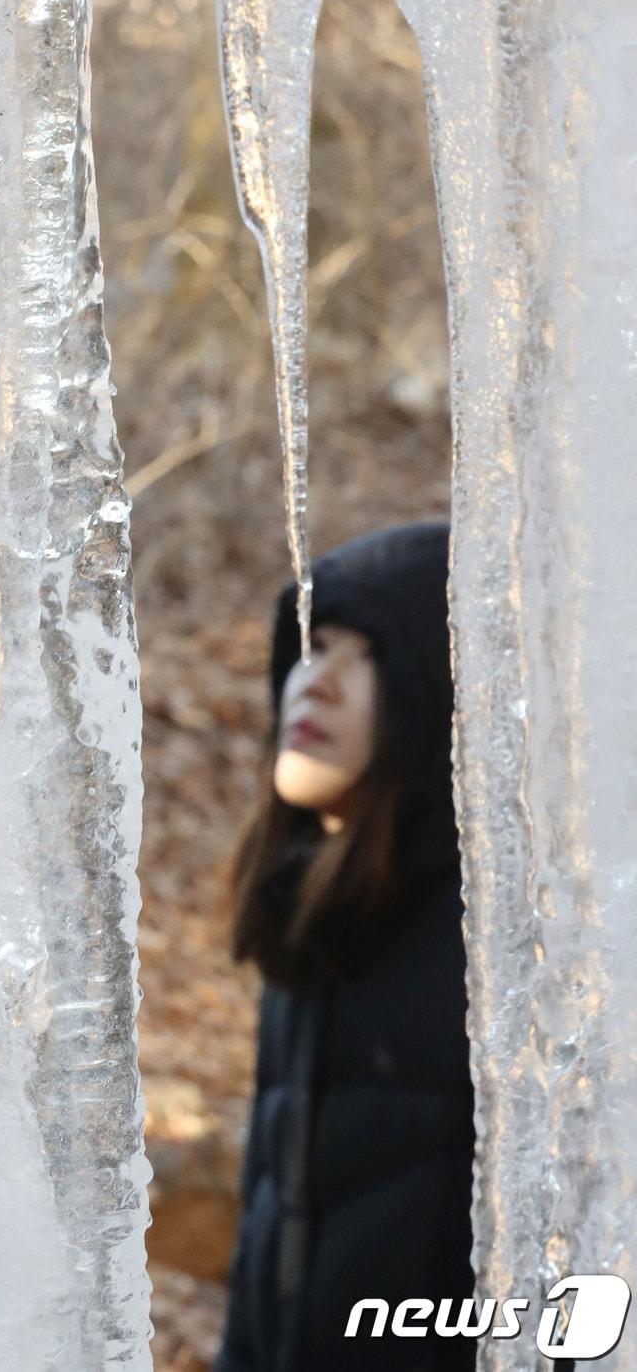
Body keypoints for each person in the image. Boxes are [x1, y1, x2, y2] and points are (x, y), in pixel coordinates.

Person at [215, 520, 475, 1371]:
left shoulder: (482, 949)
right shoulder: (310, 929)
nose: (314, 684)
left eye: (366, 657)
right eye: (310, 647)